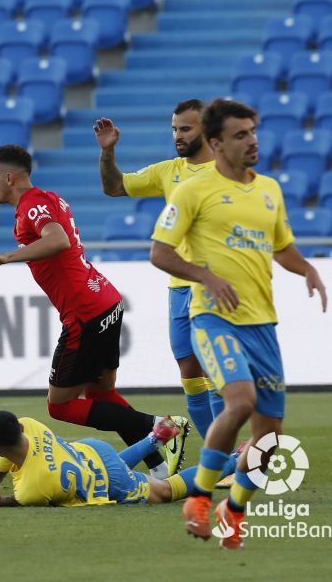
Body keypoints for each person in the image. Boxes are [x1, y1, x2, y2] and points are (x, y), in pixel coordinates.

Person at [0, 132, 188, 479]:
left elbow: (57, 240)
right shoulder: (40, 199)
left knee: (59, 405)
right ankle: (158, 464)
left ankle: (161, 427)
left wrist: (7, 256)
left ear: (10, 178)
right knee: (101, 394)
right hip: (104, 301)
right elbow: (11, 187)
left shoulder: (33, 207)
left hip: (84, 314)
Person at [150, 98, 328, 549]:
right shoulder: (192, 191)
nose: (252, 141)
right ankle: (200, 499)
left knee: (269, 439)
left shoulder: (268, 188)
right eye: (240, 135)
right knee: (241, 400)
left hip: (262, 324)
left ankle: (234, 510)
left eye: (253, 131)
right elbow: (161, 252)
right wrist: (206, 276)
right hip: (212, 317)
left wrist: (305, 267)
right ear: (216, 143)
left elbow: (282, 246)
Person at [95, 99, 222, 441]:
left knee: (217, 370)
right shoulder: (169, 171)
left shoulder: (227, 172)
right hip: (180, 286)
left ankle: (224, 453)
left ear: (207, 130)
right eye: (175, 129)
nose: (178, 136)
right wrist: (108, 152)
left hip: (214, 285)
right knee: (189, 372)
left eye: (186, 128)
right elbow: (114, 187)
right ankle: (219, 457)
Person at [0, 410, 236, 509]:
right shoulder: (29, 425)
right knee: (108, 465)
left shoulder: (34, 487)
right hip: (95, 451)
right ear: (18, 427)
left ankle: (236, 458)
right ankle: (154, 439)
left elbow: (14, 497)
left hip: (112, 483)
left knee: (168, 490)